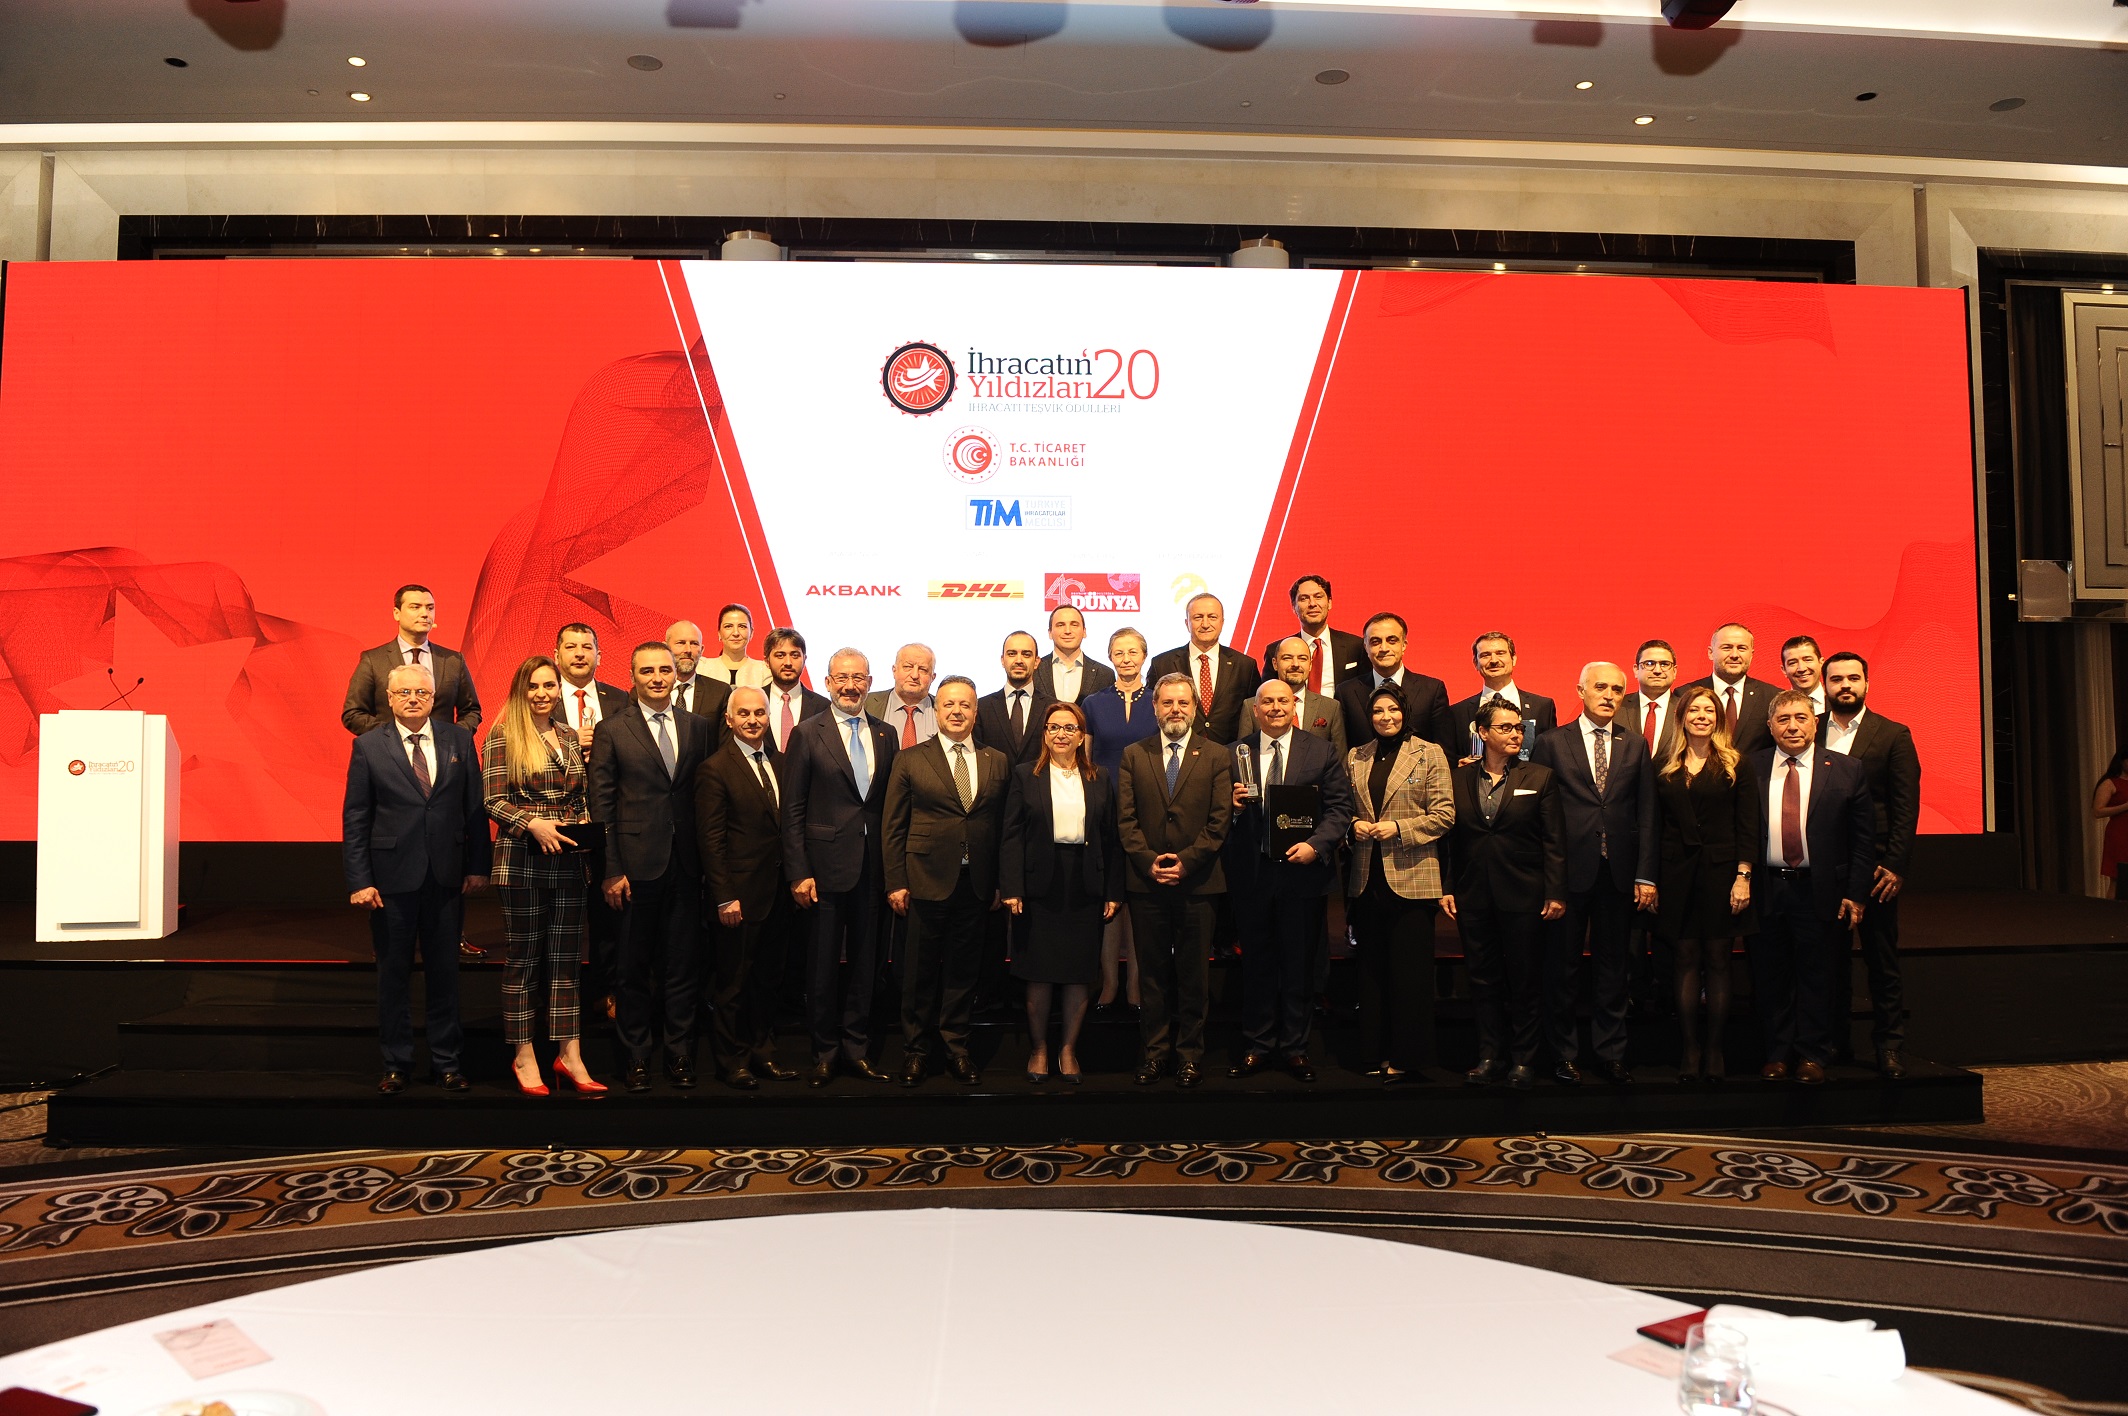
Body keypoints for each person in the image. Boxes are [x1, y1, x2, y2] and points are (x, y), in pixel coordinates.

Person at [341, 663, 491, 1094]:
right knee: (393, 975)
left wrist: (479, 865)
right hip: (390, 881)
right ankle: (396, 1064)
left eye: (421, 693)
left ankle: (448, 1063)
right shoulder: (369, 746)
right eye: (404, 692)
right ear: (389, 699)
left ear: (433, 698)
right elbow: (356, 817)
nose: (412, 699)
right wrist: (359, 880)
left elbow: (474, 809)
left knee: (445, 975)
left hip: (446, 877)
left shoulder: (459, 739)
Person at [1529, 661, 1659, 1086]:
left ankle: (1611, 1054)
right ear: (1580, 690)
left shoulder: (1635, 744)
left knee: (1613, 970)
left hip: (1618, 874)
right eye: (1600, 687)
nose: (1609, 695)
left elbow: (1647, 813)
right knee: (1561, 969)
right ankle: (1563, 1054)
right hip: (1567, 874)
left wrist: (1645, 875)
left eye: (1617, 689)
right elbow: (1540, 816)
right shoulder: (1551, 742)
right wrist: (1548, 878)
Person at [590, 642, 711, 1093]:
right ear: (633, 676)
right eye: (647, 671)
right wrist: (611, 868)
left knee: (683, 967)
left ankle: (679, 1055)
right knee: (632, 969)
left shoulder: (699, 727)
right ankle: (637, 1057)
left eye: (664, 669)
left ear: (676, 673)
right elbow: (602, 804)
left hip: (687, 865)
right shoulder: (611, 729)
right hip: (633, 868)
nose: (658, 678)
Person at [482, 655, 603, 1097]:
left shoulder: (568, 734)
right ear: (520, 689)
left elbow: (580, 796)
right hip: (522, 862)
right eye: (533, 686)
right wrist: (533, 824)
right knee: (524, 961)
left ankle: (570, 1054)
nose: (542, 693)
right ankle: (524, 1054)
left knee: (567, 961)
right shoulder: (502, 734)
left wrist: (584, 825)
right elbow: (492, 800)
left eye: (549, 685)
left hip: (569, 861)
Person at [781, 647, 899, 1086]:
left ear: (870, 683)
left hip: (873, 868)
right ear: (828, 683)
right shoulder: (807, 733)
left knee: (866, 965)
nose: (851, 686)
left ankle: (857, 1049)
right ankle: (825, 1052)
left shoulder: (886, 733)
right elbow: (792, 808)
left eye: (858, 678)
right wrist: (798, 871)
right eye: (842, 678)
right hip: (823, 870)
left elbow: (889, 807)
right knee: (822, 966)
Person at [883, 676, 1009, 1087]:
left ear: (976, 712)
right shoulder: (909, 758)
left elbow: (1003, 828)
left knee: (963, 972)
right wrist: (895, 880)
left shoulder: (996, 760)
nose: (957, 711)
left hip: (976, 884)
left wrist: (1001, 882)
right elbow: (893, 826)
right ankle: (916, 1052)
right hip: (923, 881)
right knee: (917, 973)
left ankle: (957, 1049)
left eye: (965, 705)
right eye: (949, 704)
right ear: (936, 711)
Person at [1226, 680, 1353, 1082]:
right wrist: (1231, 808)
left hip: (1303, 874)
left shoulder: (1321, 750)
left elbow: (1340, 808)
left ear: (1293, 707)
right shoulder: (1234, 753)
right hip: (1253, 875)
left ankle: (1296, 1048)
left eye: (1283, 700)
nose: (1276, 707)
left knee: (1299, 965)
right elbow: (1215, 813)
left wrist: (1316, 845)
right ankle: (1258, 1045)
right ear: (1255, 709)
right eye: (1267, 702)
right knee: (1257, 964)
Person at [1748, 689, 1875, 1084]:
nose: (1792, 726)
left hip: (1821, 890)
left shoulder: (1846, 769)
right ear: (1770, 726)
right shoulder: (1750, 767)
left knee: (1818, 976)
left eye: (1801, 718)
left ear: (1814, 724)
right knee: (1771, 975)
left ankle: (1812, 1054)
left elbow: (1862, 840)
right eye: (1783, 719)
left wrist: (1855, 893)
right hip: (1767, 888)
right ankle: (1777, 1054)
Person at [1116, 673, 1234, 1087]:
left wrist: (1186, 862)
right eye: (1167, 702)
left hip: (1199, 883)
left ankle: (1189, 1056)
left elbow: (1220, 821)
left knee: (1193, 975)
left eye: (1183, 702)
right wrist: (1149, 861)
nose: (1175, 710)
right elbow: (1125, 819)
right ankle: (1154, 1055)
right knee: (1151, 975)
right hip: (1146, 884)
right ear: (1155, 707)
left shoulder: (1217, 755)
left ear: (1195, 708)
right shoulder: (1134, 754)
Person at [1442, 701, 1565, 1091]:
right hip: (1473, 895)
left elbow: (1554, 840)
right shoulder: (1457, 778)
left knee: (1525, 980)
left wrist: (1555, 891)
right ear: (1482, 733)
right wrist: (1447, 887)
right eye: (1506, 728)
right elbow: (1450, 841)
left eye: (1518, 728)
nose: (1515, 734)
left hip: (1525, 895)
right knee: (1482, 979)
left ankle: (1524, 1058)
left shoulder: (1540, 776)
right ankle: (1490, 1056)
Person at [1002, 700, 1124, 1084]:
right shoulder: (1025, 775)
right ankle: (1039, 1049)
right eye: (1054, 727)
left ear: (1081, 736)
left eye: (1070, 728)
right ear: (1044, 734)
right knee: (1038, 972)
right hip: (1039, 885)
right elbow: (1011, 836)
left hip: (1085, 884)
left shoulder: (1099, 777)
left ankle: (1068, 1049)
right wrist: (1012, 887)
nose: (1061, 734)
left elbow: (1111, 838)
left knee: (1078, 973)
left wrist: (1112, 890)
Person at [1651, 684, 1760, 1083]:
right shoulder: (1663, 763)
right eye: (1694, 710)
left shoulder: (1736, 764)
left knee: (1717, 960)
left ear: (1719, 719)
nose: (1701, 716)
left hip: (1722, 874)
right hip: (1675, 875)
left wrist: (1743, 876)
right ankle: (1689, 1048)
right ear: (1681, 717)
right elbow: (1653, 825)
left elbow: (1748, 824)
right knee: (1683, 959)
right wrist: (1651, 879)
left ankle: (1714, 1049)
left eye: (1709, 710)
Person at [1345, 686, 1454, 1081]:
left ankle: (1408, 1057)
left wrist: (1399, 828)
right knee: (1371, 974)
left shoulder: (1430, 753)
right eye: (1377, 711)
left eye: (1392, 709)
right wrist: (1352, 826)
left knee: (1410, 976)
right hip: (1366, 879)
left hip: (1413, 879)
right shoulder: (1356, 756)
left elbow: (1445, 815)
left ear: (1405, 712)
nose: (1385, 717)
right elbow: (1343, 810)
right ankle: (1373, 1053)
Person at [1821, 651, 1921, 1078]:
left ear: (1866, 683)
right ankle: (1835, 1043)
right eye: (1836, 679)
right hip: (1826, 866)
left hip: (1877, 869)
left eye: (1853, 678)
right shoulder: (1810, 729)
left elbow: (1905, 806)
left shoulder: (1893, 734)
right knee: (1831, 962)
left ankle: (1890, 1046)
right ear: (1824, 685)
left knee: (1881, 960)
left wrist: (1895, 864)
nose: (1845, 685)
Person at [696, 685, 798, 1089]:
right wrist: (724, 896)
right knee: (732, 985)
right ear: (729, 719)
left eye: (759, 713)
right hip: (737, 897)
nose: (753, 720)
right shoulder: (714, 768)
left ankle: (763, 1053)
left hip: (778, 894)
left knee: (768, 981)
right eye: (744, 714)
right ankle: (732, 1061)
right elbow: (711, 840)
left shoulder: (782, 762)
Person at [555, 622, 631, 1022]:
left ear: (600, 656)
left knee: (609, 916)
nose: (580, 653)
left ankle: (608, 992)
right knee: (562, 921)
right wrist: (570, 740)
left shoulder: (619, 699)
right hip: (558, 825)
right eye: (571, 647)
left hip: (608, 822)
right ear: (557, 655)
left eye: (587, 647)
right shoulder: (542, 697)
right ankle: (560, 1002)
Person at [1080, 626, 1153, 1015]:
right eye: (1119, 652)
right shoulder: (1093, 702)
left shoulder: (1159, 698)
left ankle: (1136, 984)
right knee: (1109, 900)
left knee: (1140, 900)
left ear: (1144, 656)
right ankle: (1109, 984)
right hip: (1104, 810)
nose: (1126, 659)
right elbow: (1086, 760)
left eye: (1132, 652)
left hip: (1148, 810)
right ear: (1110, 657)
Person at [342, 584, 482, 737]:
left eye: (430, 608)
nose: (425, 614)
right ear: (397, 613)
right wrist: (393, 736)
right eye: (415, 607)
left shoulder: (453, 660)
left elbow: (471, 711)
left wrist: (453, 738)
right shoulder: (373, 660)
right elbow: (353, 713)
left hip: (443, 750)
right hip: (390, 749)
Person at [1335, 612, 1456, 759]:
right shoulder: (1346, 692)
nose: (1384, 648)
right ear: (1366, 647)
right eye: (1375, 642)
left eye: (1392, 641)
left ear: (1404, 645)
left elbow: (1445, 754)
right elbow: (1340, 752)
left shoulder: (1432, 690)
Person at [1147, 592, 1261, 744]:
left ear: (1222, 622)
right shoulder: (1161, 664)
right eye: (1198, 617)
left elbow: (1254, 714)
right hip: (1179, 750)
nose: (1205, 624)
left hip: (1229, 751)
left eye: (1212, 617)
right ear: (1187, 623)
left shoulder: (1245, 665)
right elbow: (1151, 713)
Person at [1449, 631, 1557, 763]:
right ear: (1475, 663)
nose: (1494, 660)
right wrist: (1460, 765)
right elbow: (1449, 755)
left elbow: (1551, 755)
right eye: (1485, 655)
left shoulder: (1542, 707)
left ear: (1514, 659)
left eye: (1500, 653)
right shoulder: (1457, 712)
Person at [1257, 573, 1364, 700]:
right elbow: (1265, 695)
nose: (1312, 603)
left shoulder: (1355, 646)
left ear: (1329, 603)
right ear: (1294, 607)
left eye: (1318, 597)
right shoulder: (1275, 650)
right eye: (1304, 599)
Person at [1693, 622, 1779, 755]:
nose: (1734, 654)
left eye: (1742, 648)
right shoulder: (1687, 694)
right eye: (1727, 647)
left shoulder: (1772, 696)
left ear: (1751, 654)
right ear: (1711, 652)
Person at [975, 630, 1052, 767]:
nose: (1019, 660)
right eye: (1012, 654)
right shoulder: (981, 707)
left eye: (1026, 654)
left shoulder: (1052, 708)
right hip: (995, 781)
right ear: (1002, 660)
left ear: (1036, 662)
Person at [1270, 636, 1348, 758]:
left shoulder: (1330, 708)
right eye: (1287, 658)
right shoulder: (1252, 708)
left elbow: (1339, 760)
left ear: (1310, 665)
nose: (1295, 664)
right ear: (1275, 664)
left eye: (1302, 658)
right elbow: (1243, 757)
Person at [763, 626, 830, 753]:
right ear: (767, 661)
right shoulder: (754, 702)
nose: (788, 662)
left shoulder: (823, 706)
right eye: (780, 655)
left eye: (795, 655)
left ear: (804, 659)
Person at [1034, 605, 1116, 703]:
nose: (1067, 631)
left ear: (1084, 631)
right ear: (1050, 633)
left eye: (1074, 625)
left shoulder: (1104, 675)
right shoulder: (1034, 671)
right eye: (1060, 625)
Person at [665, 618, 731, 736]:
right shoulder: (651, 690)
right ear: (666, 648)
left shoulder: (720, 693)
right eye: (681, 643)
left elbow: (725, 742)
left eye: (694, 644)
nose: (688, 650)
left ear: (702, 650)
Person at [866, 643, 938, 749]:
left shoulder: (943, 710)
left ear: (933, 677)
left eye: (923, 669)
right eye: (908, 667)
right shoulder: (867, 703)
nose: (914, 675)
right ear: (894, 670)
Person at [1623, 638, 1683, 763]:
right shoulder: (1618, 707)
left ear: (1674, 671)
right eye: (1649, 664)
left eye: (1664, 664)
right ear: (1636, 670)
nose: (1657, 670)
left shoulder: (1686, 709)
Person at [702, 604, 773, 689]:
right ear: (719, 633)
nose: (736, 633)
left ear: (751, 633)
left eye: (742, 626)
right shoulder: (702, 668)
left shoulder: (765, 671)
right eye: (728, 626)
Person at [2096, 745, 2128, 899]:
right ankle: (2111, 911)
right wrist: (2125, 807)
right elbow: (2097, 811)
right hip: (2120, 834)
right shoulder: (2110, 783)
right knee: (2117, 878)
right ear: (2122, 761)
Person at [1781, 635, 1826, 715]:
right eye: (1793, 663)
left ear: (1821, 663)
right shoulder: (1776, 707)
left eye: (1808, 660)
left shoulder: (1838, 702)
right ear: (1784, 670)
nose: (1801, 668)